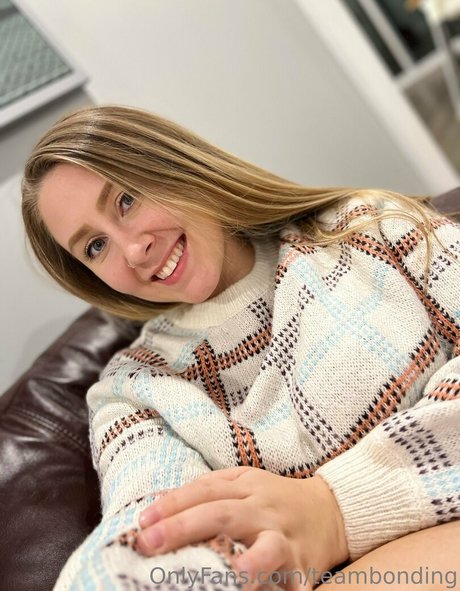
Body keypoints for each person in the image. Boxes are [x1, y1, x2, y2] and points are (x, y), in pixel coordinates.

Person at [21, 105, 459, 591]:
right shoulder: (133, 389)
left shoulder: (367, 226)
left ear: (173, 164)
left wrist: (336, 508)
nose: (131, 250)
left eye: (126, 200)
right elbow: (144, 530)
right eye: (95, 247)